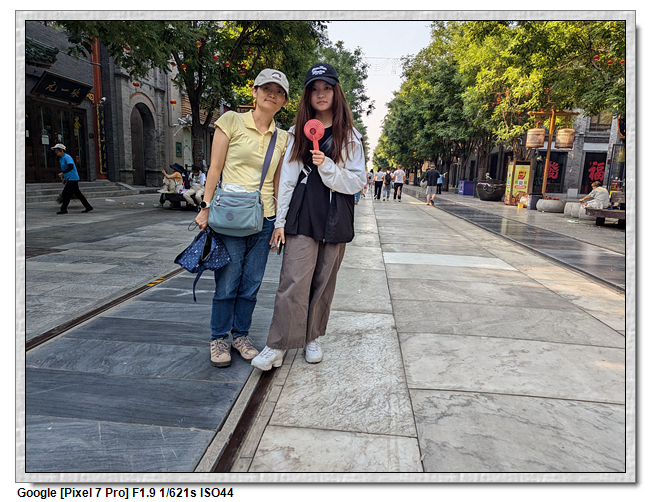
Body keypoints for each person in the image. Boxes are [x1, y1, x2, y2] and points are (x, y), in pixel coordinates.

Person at [251, 62, 365, 371]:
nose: (321, 94)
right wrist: (280, 222)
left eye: (327, 88)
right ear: (307, 96)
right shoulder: (295, 134)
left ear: (336, 92)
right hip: (302, 216)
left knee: (323, 281)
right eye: (314, 89)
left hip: (335, 217)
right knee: (293, 280)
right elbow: (287, 180)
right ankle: (277, 345)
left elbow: (357, 182)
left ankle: (311, 337)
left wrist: (327, 165)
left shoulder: (350, 136)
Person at [194, 68, 290, 368]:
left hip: (264, 218)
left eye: (279, 92)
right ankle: (219, 337)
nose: (272, 95)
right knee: (228, 281)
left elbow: (278, 181)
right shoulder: (231, 121)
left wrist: (280, 221)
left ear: (284, 101)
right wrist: (205, 206)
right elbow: (215, 168)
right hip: (230, 216)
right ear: (255, 91)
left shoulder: (283, 138)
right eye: (267, 88)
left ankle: (241, 336)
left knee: (252, 283)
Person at [52, 143, 93, 214]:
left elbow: (70, 166)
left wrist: (63, 173)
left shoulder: (67, 157)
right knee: (78, 194)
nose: (56, 152)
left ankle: (63, 209)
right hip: (70, 178)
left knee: (66, 193)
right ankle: (88, 206)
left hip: (72, 178)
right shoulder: (62, 158)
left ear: (61, 150)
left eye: (57, 151)